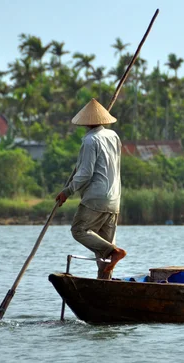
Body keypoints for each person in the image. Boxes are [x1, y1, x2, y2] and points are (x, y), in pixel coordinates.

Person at [55, 98, 126, 279]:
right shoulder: (113, 136)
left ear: (85, 122)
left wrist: (67, 191)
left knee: (79, 230)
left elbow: (86, 173)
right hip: (114, 198)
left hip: (96, 197)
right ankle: (105, 284)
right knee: (102, 255)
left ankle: (113, 251)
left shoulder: (90, 140)